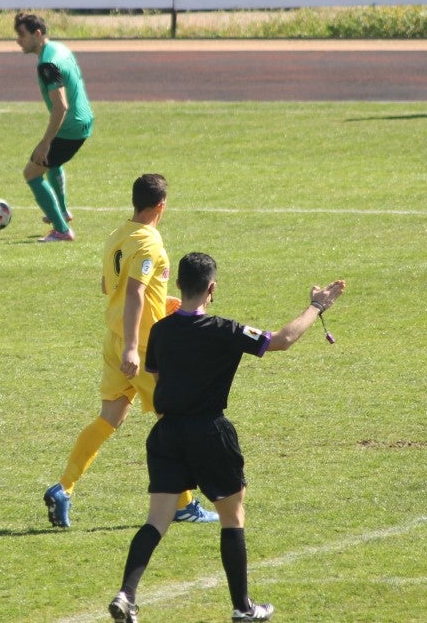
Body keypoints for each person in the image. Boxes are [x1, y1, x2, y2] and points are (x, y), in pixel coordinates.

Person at [106, 253, 346, 623]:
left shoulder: (161, 331)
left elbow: (155, 376)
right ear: (211, 288)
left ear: (179, 286)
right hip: (210, 432)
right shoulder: (225, 330)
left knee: (156, 521)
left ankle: (126, 594)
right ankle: (242, 608)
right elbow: (281, 340)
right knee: (232, 518)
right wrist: (316, 305)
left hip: (167, 433)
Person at [45, 174, 218, 530]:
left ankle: (64, 488)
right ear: (161, 206)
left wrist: (161, 302)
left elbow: (109, 286)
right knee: (175, 421)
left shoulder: (117, 235)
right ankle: (184, 505)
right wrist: (133, 349)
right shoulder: (150, 243)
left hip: (115, 337)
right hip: (140, 346)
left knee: (110, 417)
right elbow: (136, 292)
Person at [13, 12, 94, 243]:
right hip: (83, 120)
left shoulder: (48, 64)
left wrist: (45, 142)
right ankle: (63, 212)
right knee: (52, 163)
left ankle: (62, 230)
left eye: (22, 35)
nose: (18, 40)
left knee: (31, 173)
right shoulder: (59, 48)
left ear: (37, 34)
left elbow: (61, 107)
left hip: (70, 129)